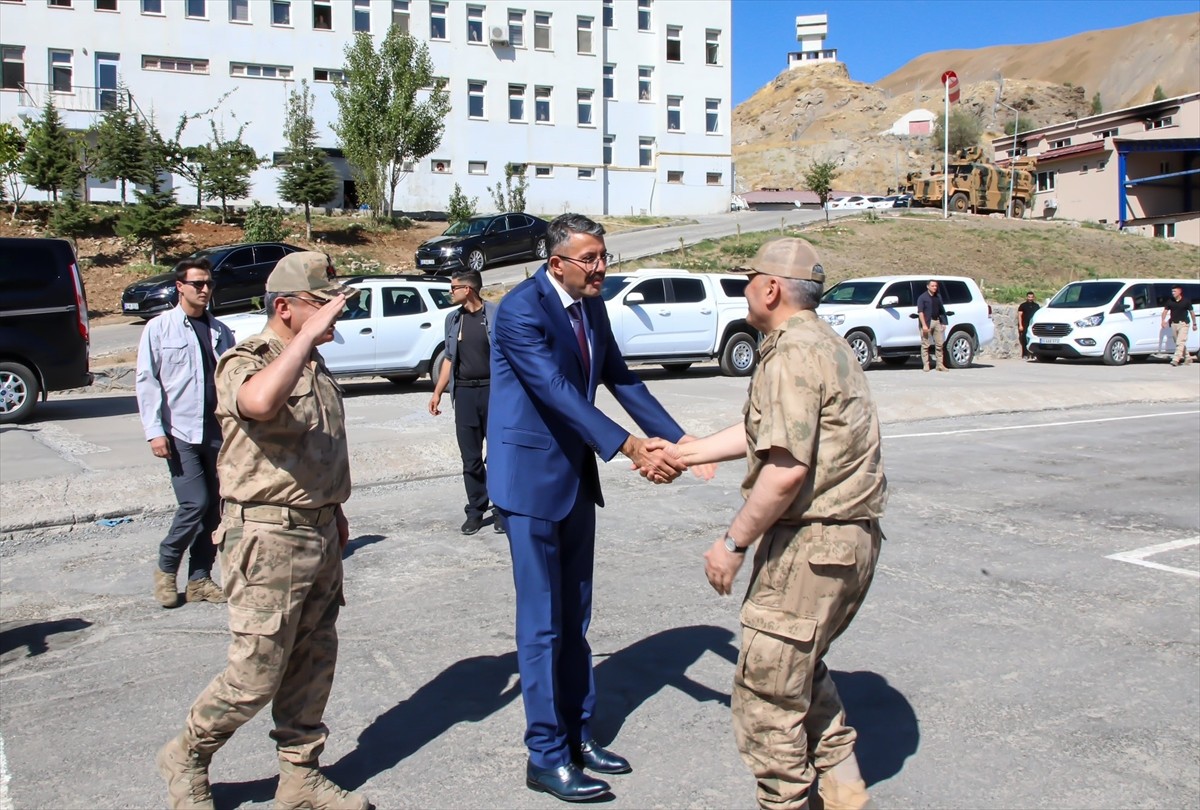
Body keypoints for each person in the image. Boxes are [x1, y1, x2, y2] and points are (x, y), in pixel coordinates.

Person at [666, 237, 887, 810]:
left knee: (765, 693)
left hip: (814, 545)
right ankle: (844, 789)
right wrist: (683, 454)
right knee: (798, 671)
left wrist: (732, 542)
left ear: (769, 288)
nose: (744, 290)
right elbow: (765, 433)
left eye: (747, 281)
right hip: (847, 542)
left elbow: (786, 470)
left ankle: (790, 801)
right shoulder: (819, 343)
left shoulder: (789, 353)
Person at [488, 213, 691, 802]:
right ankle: (545, 755)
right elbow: (552, 390)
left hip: (575, 479)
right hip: (530, 484)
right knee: (542, 625)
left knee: (575, 620)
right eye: (591, 259)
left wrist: (681, 444)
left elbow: (621, 379)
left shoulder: (590, 302)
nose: (603, 268)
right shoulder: (520, 310)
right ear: (558, 263)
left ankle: (579, 734)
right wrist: (628, 445)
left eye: (605, 256)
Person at [156, 252, 368, 810]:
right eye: (323, 306)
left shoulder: (312, 360)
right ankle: (188, 757)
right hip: (268, 539)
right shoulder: (246, 359)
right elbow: (258, 401)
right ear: (285, 307)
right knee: (255, 673)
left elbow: (314, 448)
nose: (334, 317)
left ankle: (299, 777)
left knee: (312, 661)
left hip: (318, 531)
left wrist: (334, 508)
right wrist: (307, 340)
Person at [136, 258, 235, 609]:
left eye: (208, 283)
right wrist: (154, 431)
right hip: (179, 431)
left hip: (217, 431)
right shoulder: (160, 328)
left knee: (215, 510)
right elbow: (147, 381)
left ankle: (199, 579)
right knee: (195, 503)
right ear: (180, 286)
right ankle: (166, 568)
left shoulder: (220, 331)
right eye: (197, 284)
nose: (205, 289)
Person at [428, 269, 503, 535]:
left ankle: (502, 510)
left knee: (497, 456)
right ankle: (476, 510)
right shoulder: (453, 320)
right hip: (465, 396)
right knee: (470, 458)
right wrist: (438, 391)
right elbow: (449, 358)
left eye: (453, 288)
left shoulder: (495, 314)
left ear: (468, 289)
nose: (450, 293)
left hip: (494, 393)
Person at [917, 279, 948, 372]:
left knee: (939, 344)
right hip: (927, 322)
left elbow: (941, 310)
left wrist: (943, 322)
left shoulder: (938, 296)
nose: (934, 287)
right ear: (928, 286)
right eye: (932, 286)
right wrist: (924, 325)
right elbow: (920, 312)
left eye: (936, 286)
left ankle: (940, 365)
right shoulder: (922, 297)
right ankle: (926, 365)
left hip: (937, 321)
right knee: (925, 344)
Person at [1161, 285, 1196, 366]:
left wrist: (1194, 324)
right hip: (1173, 324)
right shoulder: (1170, 301)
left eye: (1174, 291)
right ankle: (1188, 357)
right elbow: (1165, 311)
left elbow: (1192, 313)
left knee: (1180, 342)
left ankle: (1176, 359)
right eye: (1172, 291)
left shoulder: (1186, 301)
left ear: (1179, 292)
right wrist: (1163, 321)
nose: (1173, 293)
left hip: (1184, 324)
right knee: (1178, 342)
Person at [1016, 290, 1041, 360]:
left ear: (1034, 298)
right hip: (1024, 324)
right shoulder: (1022, 305)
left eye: (1032, 297)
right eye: (1029, 297)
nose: (1030, 298)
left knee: (1033, 339)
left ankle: (1033, 355)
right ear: (1027, 297)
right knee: (1024, 340)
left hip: (1033, 325)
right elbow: (1019, 315)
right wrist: (1020, 325)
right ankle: (1025, 354)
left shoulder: (1036, 306)